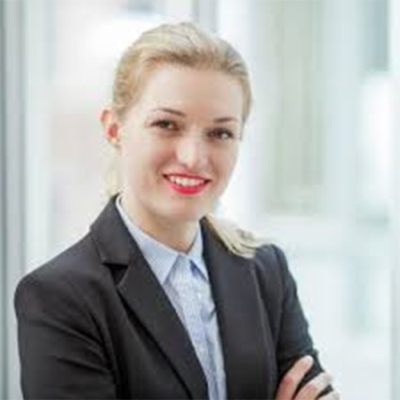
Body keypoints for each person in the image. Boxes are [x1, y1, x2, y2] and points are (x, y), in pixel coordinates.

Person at [14, 21, 339, 400]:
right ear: (115, 129)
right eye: (167, 125)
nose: (193, 157)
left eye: (220, 133)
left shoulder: (266, 271)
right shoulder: (60, 298)